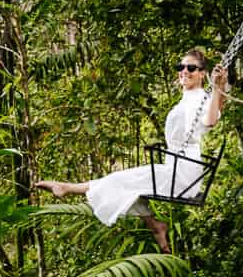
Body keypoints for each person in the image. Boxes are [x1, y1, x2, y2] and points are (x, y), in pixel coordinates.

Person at [36, 50, 228, 253]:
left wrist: (217, 87)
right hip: (176, 167)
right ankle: (156, 226)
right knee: (130, 186)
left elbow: (211, 120)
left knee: (122, 181)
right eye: (181, 67)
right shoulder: (189, 98)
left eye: (191, 68)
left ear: (202, 73)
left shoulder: (199, 99)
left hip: (183, 174)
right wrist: (218, 89)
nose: (184, 71)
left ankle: (67, 187)